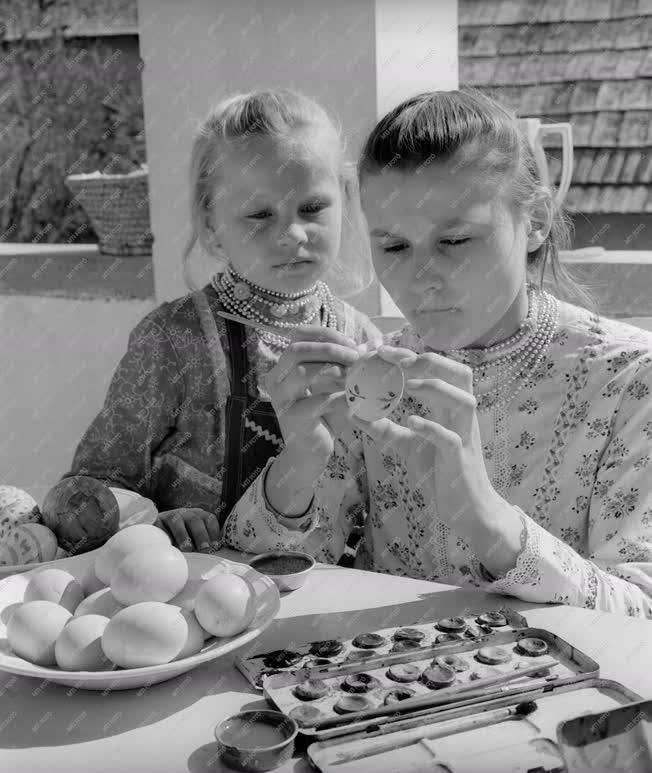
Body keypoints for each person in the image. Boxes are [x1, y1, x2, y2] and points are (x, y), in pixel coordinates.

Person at [224, 89, 652, 618]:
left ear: (536, 220)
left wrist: (487, 519)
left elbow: (641, 620)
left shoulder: (630, 379)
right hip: (369, 693)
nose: (420, 278)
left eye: (454, 240)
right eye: (394, 247)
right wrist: (301, 462)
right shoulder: (372, 380)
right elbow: (248, 588)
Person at [58, 89, 380, 553]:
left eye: (312, 208)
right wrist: (152, 522)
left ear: (344, 201)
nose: (292, 235)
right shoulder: (173, 339)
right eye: (259, 215)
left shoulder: (360, 340)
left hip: (324, 606)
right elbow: (83, 491)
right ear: (211, 224)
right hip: (193, 601)